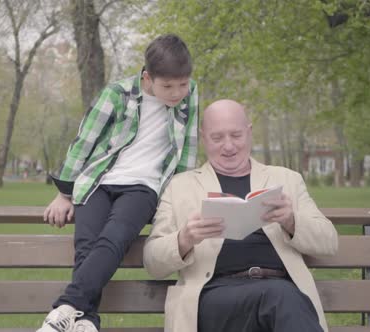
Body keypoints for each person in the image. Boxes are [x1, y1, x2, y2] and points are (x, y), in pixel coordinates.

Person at [37, 34, 199, 332]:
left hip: (144, 186)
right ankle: (86, 322)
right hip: (99, 179)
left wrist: (181, 196)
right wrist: (64, 194)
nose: (177, 93)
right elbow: (83, 143)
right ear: (148, 77)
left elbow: (187, 150)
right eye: (168, 86)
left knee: (113, 238)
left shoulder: (191, 94)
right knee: (86, 246)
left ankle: (64, 307)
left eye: (183, 84)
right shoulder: (117, 94)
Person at [143, 99, 338, 332]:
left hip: (279, 295)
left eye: (236, 135)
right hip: (215, 298)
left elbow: (329, 241)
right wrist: (184, 239)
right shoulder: (180, 186)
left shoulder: (286, 179)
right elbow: (152, 261)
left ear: (249, 132)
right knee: (281, 297)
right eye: (217, 138)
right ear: (203, 138)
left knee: (280, 297)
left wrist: (291, 221)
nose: (228, 146)